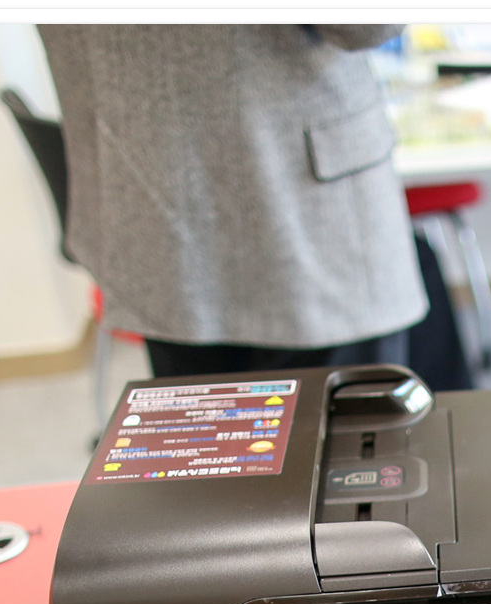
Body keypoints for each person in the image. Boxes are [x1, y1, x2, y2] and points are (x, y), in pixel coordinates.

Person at [39, 25, 428, 379]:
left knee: (201, 427)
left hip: (143, 198)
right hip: (298, 208)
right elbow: (368, 25)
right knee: (346, 427)